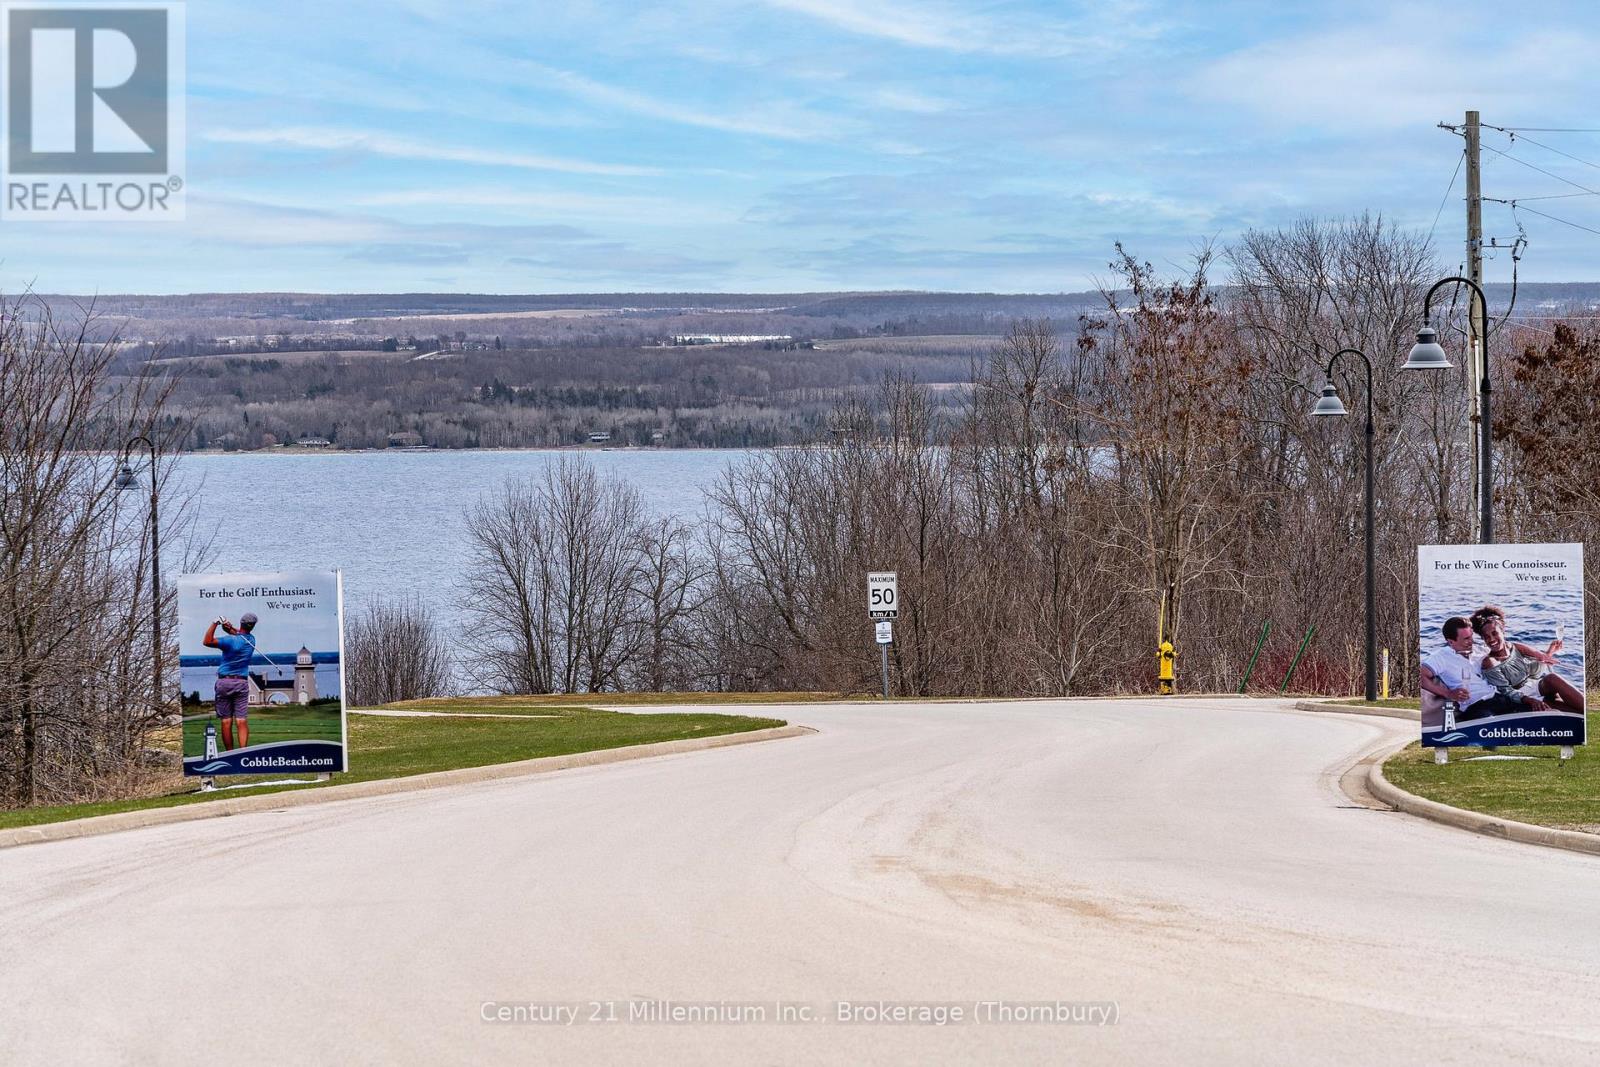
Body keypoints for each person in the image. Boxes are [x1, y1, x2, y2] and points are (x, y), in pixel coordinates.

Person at [1472, 605, 1585, 714]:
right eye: (1486, 637)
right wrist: (1530, 700)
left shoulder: (1514, 646)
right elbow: (1505, 692)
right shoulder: (1489, 662)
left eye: (1494, 633)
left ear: (1503, 631)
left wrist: (1549, 652)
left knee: (1552, 678)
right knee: (1576, 713)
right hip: (1521, 699)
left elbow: (1537, 667)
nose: (1491, 639)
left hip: (1534, 686)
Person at [1420, 616, 1522, 723]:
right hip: (1476, 706)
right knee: (1491, 723)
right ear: (1451, 642)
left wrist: (1536, 654)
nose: (1471, 641)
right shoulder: (1441, 657)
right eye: (1466, 639)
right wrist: (1448, 693)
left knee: (1531, 712)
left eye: (1471, 636)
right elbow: (1421, 676)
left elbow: (1507, 647)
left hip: (1500, 698)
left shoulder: (1479, 650)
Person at [203, 612, 258, 751]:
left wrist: (215, 622)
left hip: (224, 683)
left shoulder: (229, 641)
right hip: (242, 683)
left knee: (226, 721)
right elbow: (238, 633)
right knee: (241, 720)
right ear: (253, 626)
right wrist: (229, 626)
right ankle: (243, 752)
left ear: (241, 623)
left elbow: (207, 641)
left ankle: (230, 754)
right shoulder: (251, 640)